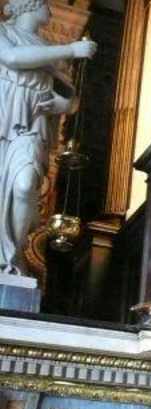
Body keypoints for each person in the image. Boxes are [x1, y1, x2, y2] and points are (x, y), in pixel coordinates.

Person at [0, 0, 96, 274]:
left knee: (24, 185)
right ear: (28, 5)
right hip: (3, 115)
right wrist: (71, 49)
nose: (50, 9)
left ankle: (12, 257)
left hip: (33, 123)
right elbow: (12, 58)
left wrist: (60, 103)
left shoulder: (47, 48)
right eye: (44, 3)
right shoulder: (3, 32)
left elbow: (69, 98)